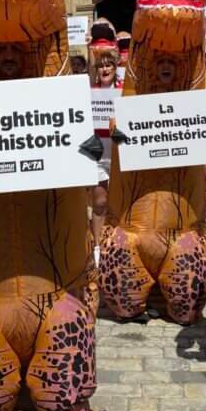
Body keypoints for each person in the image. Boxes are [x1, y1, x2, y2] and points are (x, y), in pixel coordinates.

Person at [90, 46, 121, 256]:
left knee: (120, 203)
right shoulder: (89, 91)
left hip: (119, 153)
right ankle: (98, 249)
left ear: (115, 67)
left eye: (109, 64)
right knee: (100, 203)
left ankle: (118, 245)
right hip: (97, 153)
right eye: (101, 66)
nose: (105, 69)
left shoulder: (125, 90)